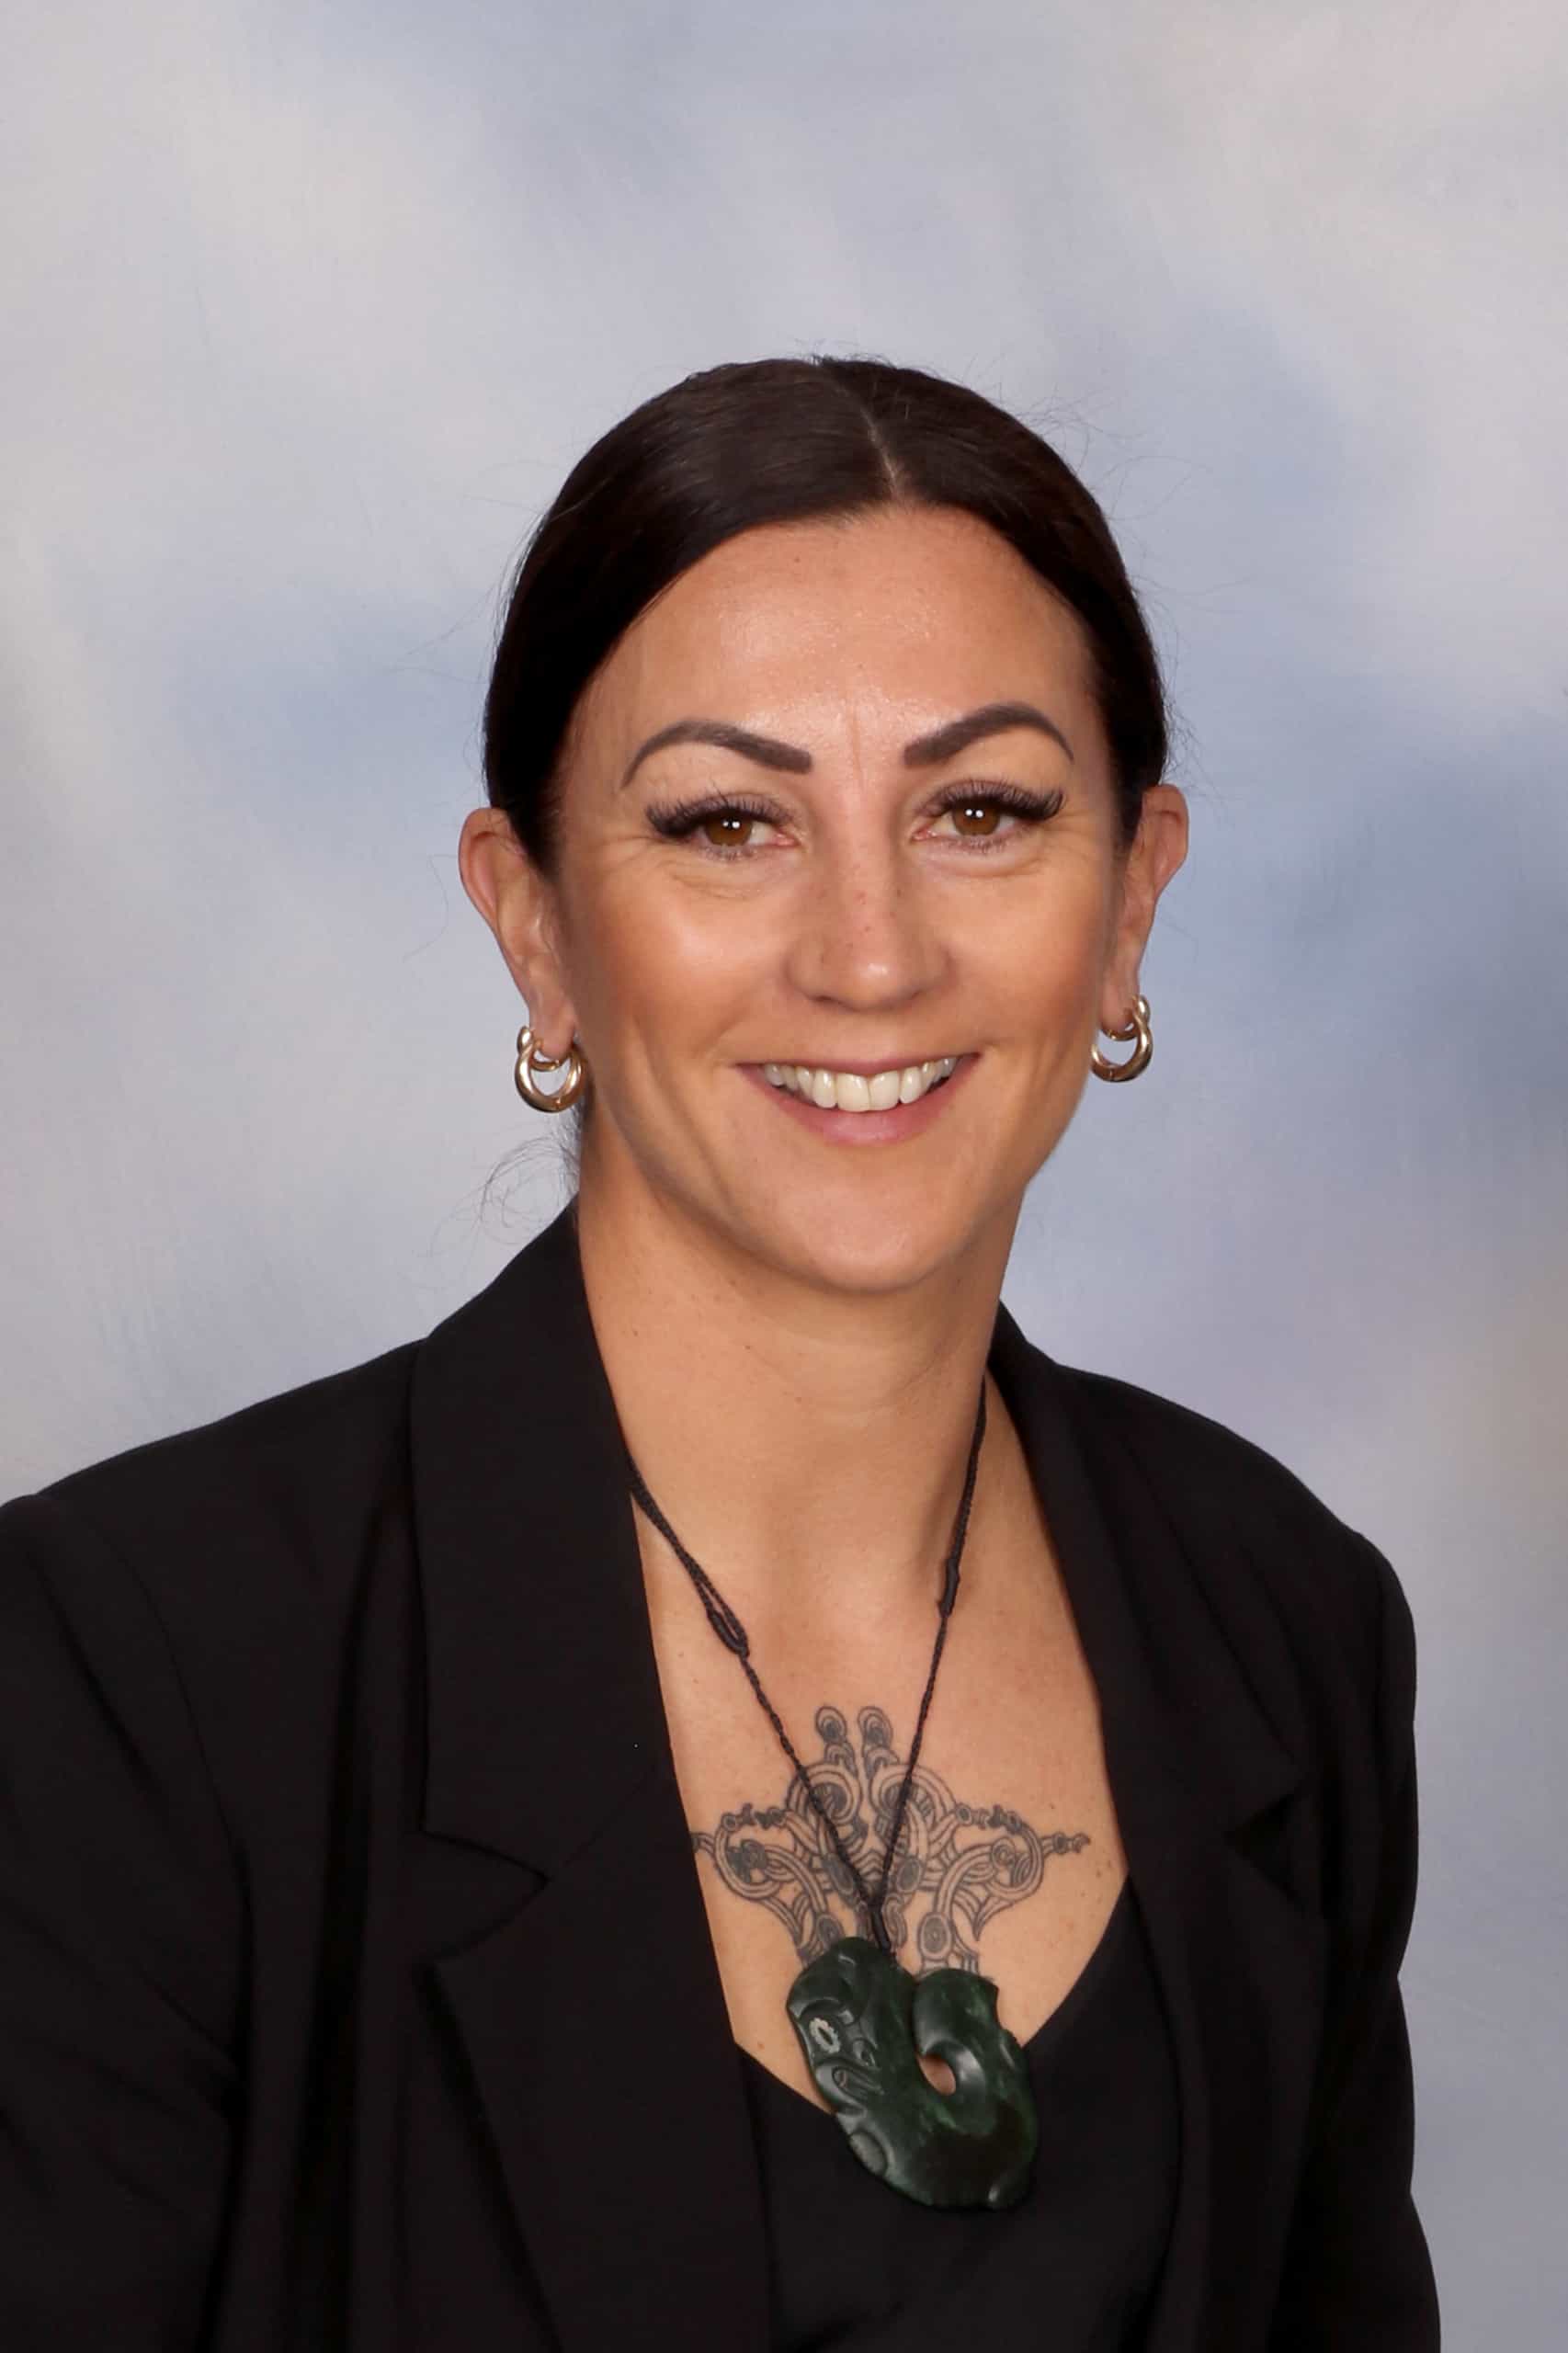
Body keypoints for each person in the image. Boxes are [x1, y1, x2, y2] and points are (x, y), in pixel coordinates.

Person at [0, 355, 1438, 2349]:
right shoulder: (121, 1671)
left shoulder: (1282, 1619)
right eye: (728, 823)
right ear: (534, 926)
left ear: (1129, 900)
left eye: (981, 810)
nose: (870, 953)